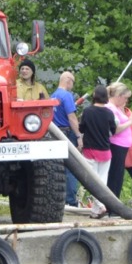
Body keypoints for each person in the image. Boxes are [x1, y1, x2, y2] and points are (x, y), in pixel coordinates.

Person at [105, 82, 132, 213]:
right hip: (116, 146)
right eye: (125, 98)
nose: (127, 101)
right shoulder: (111, 108)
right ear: (119, 96)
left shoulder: (117, 108)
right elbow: (115, 129)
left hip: (126, 149)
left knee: (120, 178)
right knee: (115, 178)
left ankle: (115, 207)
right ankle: (112, 208)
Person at [78, 84, 116, 219]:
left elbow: (81, 129)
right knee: (102, 181)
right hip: (105, 151)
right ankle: (95, 211)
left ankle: (100, 205)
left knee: (92, 182)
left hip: (90, 150)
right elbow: (113, 130)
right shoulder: (109, 113)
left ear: (94, 96)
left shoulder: (88, 112)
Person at [51, 71, 82, 208]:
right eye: (73, 82)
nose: (72, 85)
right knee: (72, 167)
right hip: (67, 133)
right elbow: (72, 118)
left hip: (55, 134)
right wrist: (79, 136)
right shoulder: (67, 96)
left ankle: (59, 198)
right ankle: (71, 200)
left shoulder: (53, 95)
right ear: (68, 80)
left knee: (58, 168)